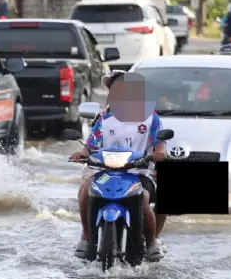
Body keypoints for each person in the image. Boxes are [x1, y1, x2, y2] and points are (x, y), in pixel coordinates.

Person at [69, 74, 168, 261]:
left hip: (138, 172)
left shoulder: (151, 118)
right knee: (84, 191)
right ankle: (85, 236)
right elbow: (91, 144)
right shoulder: (103, 118)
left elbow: (160, 143)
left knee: (144, 199)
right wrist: (82, 153)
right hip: (106, 172)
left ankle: (152, 240)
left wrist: (160, 152)